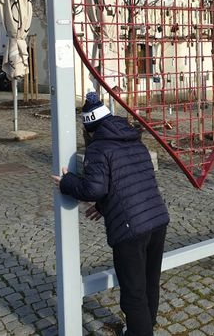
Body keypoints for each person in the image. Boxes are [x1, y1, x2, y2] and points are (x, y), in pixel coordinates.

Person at [52, 92, 169, 336]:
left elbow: (94, 189)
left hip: (130, 229)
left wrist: (67, 182)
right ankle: (147, 325)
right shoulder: (134, 140)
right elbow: (129, 183)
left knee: (133, 291)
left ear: (89, 129)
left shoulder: (98, 148)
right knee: (150, 280)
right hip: (157, 219)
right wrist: (103, 207)